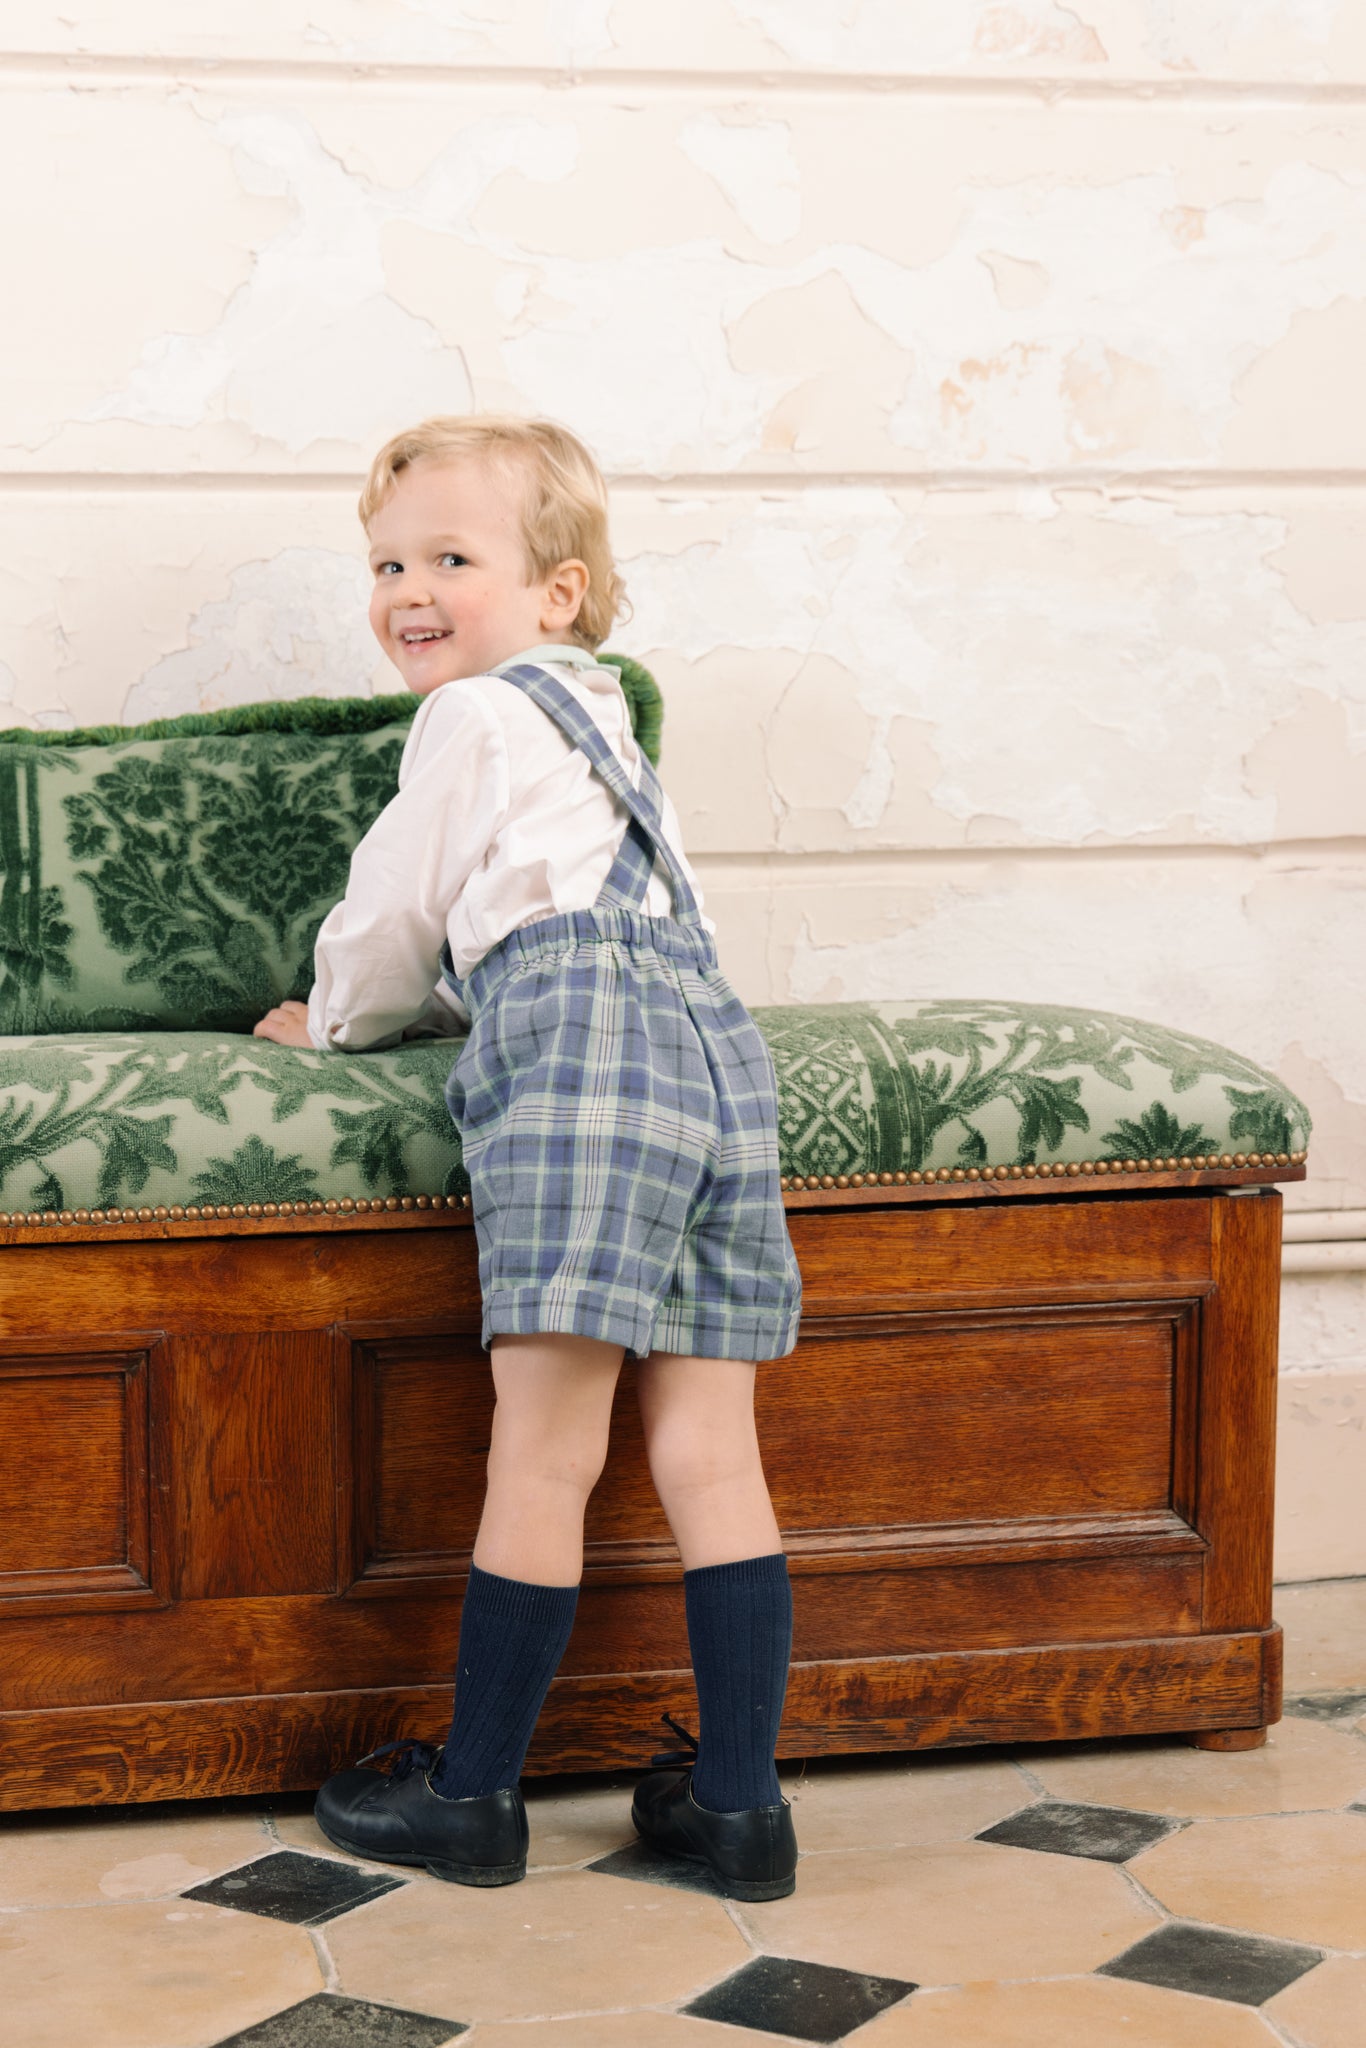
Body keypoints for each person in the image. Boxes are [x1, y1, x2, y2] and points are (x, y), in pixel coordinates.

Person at [254, 414, 802, 1899]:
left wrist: (339, 1026)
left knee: (544, 1446)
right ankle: (739, 1812)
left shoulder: (475, 717)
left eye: (449, 556)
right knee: (706, 1448)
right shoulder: (603, 718)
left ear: (555, 590)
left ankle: (473, 1790)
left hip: (584, 1065)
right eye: (385, 561)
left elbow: (393, 909)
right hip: (709, 1050)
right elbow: (563, 914)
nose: (406, 587)